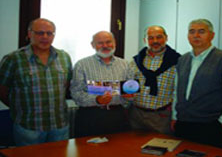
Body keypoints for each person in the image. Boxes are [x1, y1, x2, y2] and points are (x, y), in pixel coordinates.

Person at [171, 19, 222, 149]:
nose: (196, 35)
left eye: (201, 31)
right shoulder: (182, 60)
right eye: (192, 32)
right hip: (183, 124)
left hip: (211, 126)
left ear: (212, 35)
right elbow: (177, 92)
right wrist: (174, 116)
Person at [0, 18, 72, 146]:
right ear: (29, 34)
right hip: (28, 126)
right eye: (39, 33)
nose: (45, 37)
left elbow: (66, 85)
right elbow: (2, 90)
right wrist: (19, 109)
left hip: (59, 126)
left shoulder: (64, 57)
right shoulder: (13, 59)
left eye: (49, 33)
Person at [70, 31, 130, 137]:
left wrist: (130, 96)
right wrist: (97, 99)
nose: (105, 46)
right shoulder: (81, 65)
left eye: (108, 42)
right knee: (87, 152)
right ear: (92, 45)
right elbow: (76, 94)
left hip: (117, 115)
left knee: (118, 151)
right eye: (100, 43)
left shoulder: (125, 64)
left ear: (114, 42)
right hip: (90, 116)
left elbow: (129, 90)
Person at [128, 25, 181, 134]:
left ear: (166, 38)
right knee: (133, 148)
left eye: (159, 37)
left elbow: (178, 92)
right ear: (145, 40)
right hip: (135, 115)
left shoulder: (178, 61)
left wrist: (175, 116)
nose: (155, 41)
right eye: (150, 38)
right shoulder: (135, 61)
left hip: (161, 117)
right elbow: (130, 86)